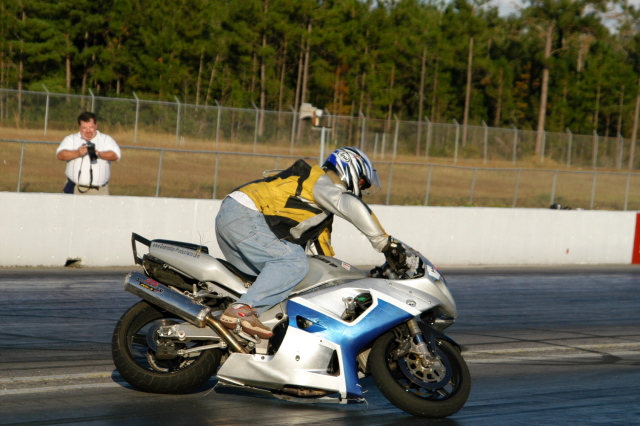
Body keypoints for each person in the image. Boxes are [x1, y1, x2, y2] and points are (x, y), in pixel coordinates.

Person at [215, 146, 407, 339]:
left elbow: (322, 258)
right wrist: (384, 243)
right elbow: (349, 204)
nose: (361, 188)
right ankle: (242, 309)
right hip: (245, 214)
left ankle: (242, 325)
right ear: (349, 168)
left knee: (283, 278)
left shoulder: (320, 211)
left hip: (236, 218)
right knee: (293, 263)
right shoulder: (320, 180)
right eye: (362, 182)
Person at [56, 111, 121, 195]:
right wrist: (77, 153)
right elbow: (60, 155)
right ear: (79, 127)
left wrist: (100, 154)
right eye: (84, 128)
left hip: (99, 191)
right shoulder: (70, 139)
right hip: (75, 189)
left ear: (96, 125)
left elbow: (116, 155)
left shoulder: (106, 139)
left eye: (91, 127)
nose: (88, 131)